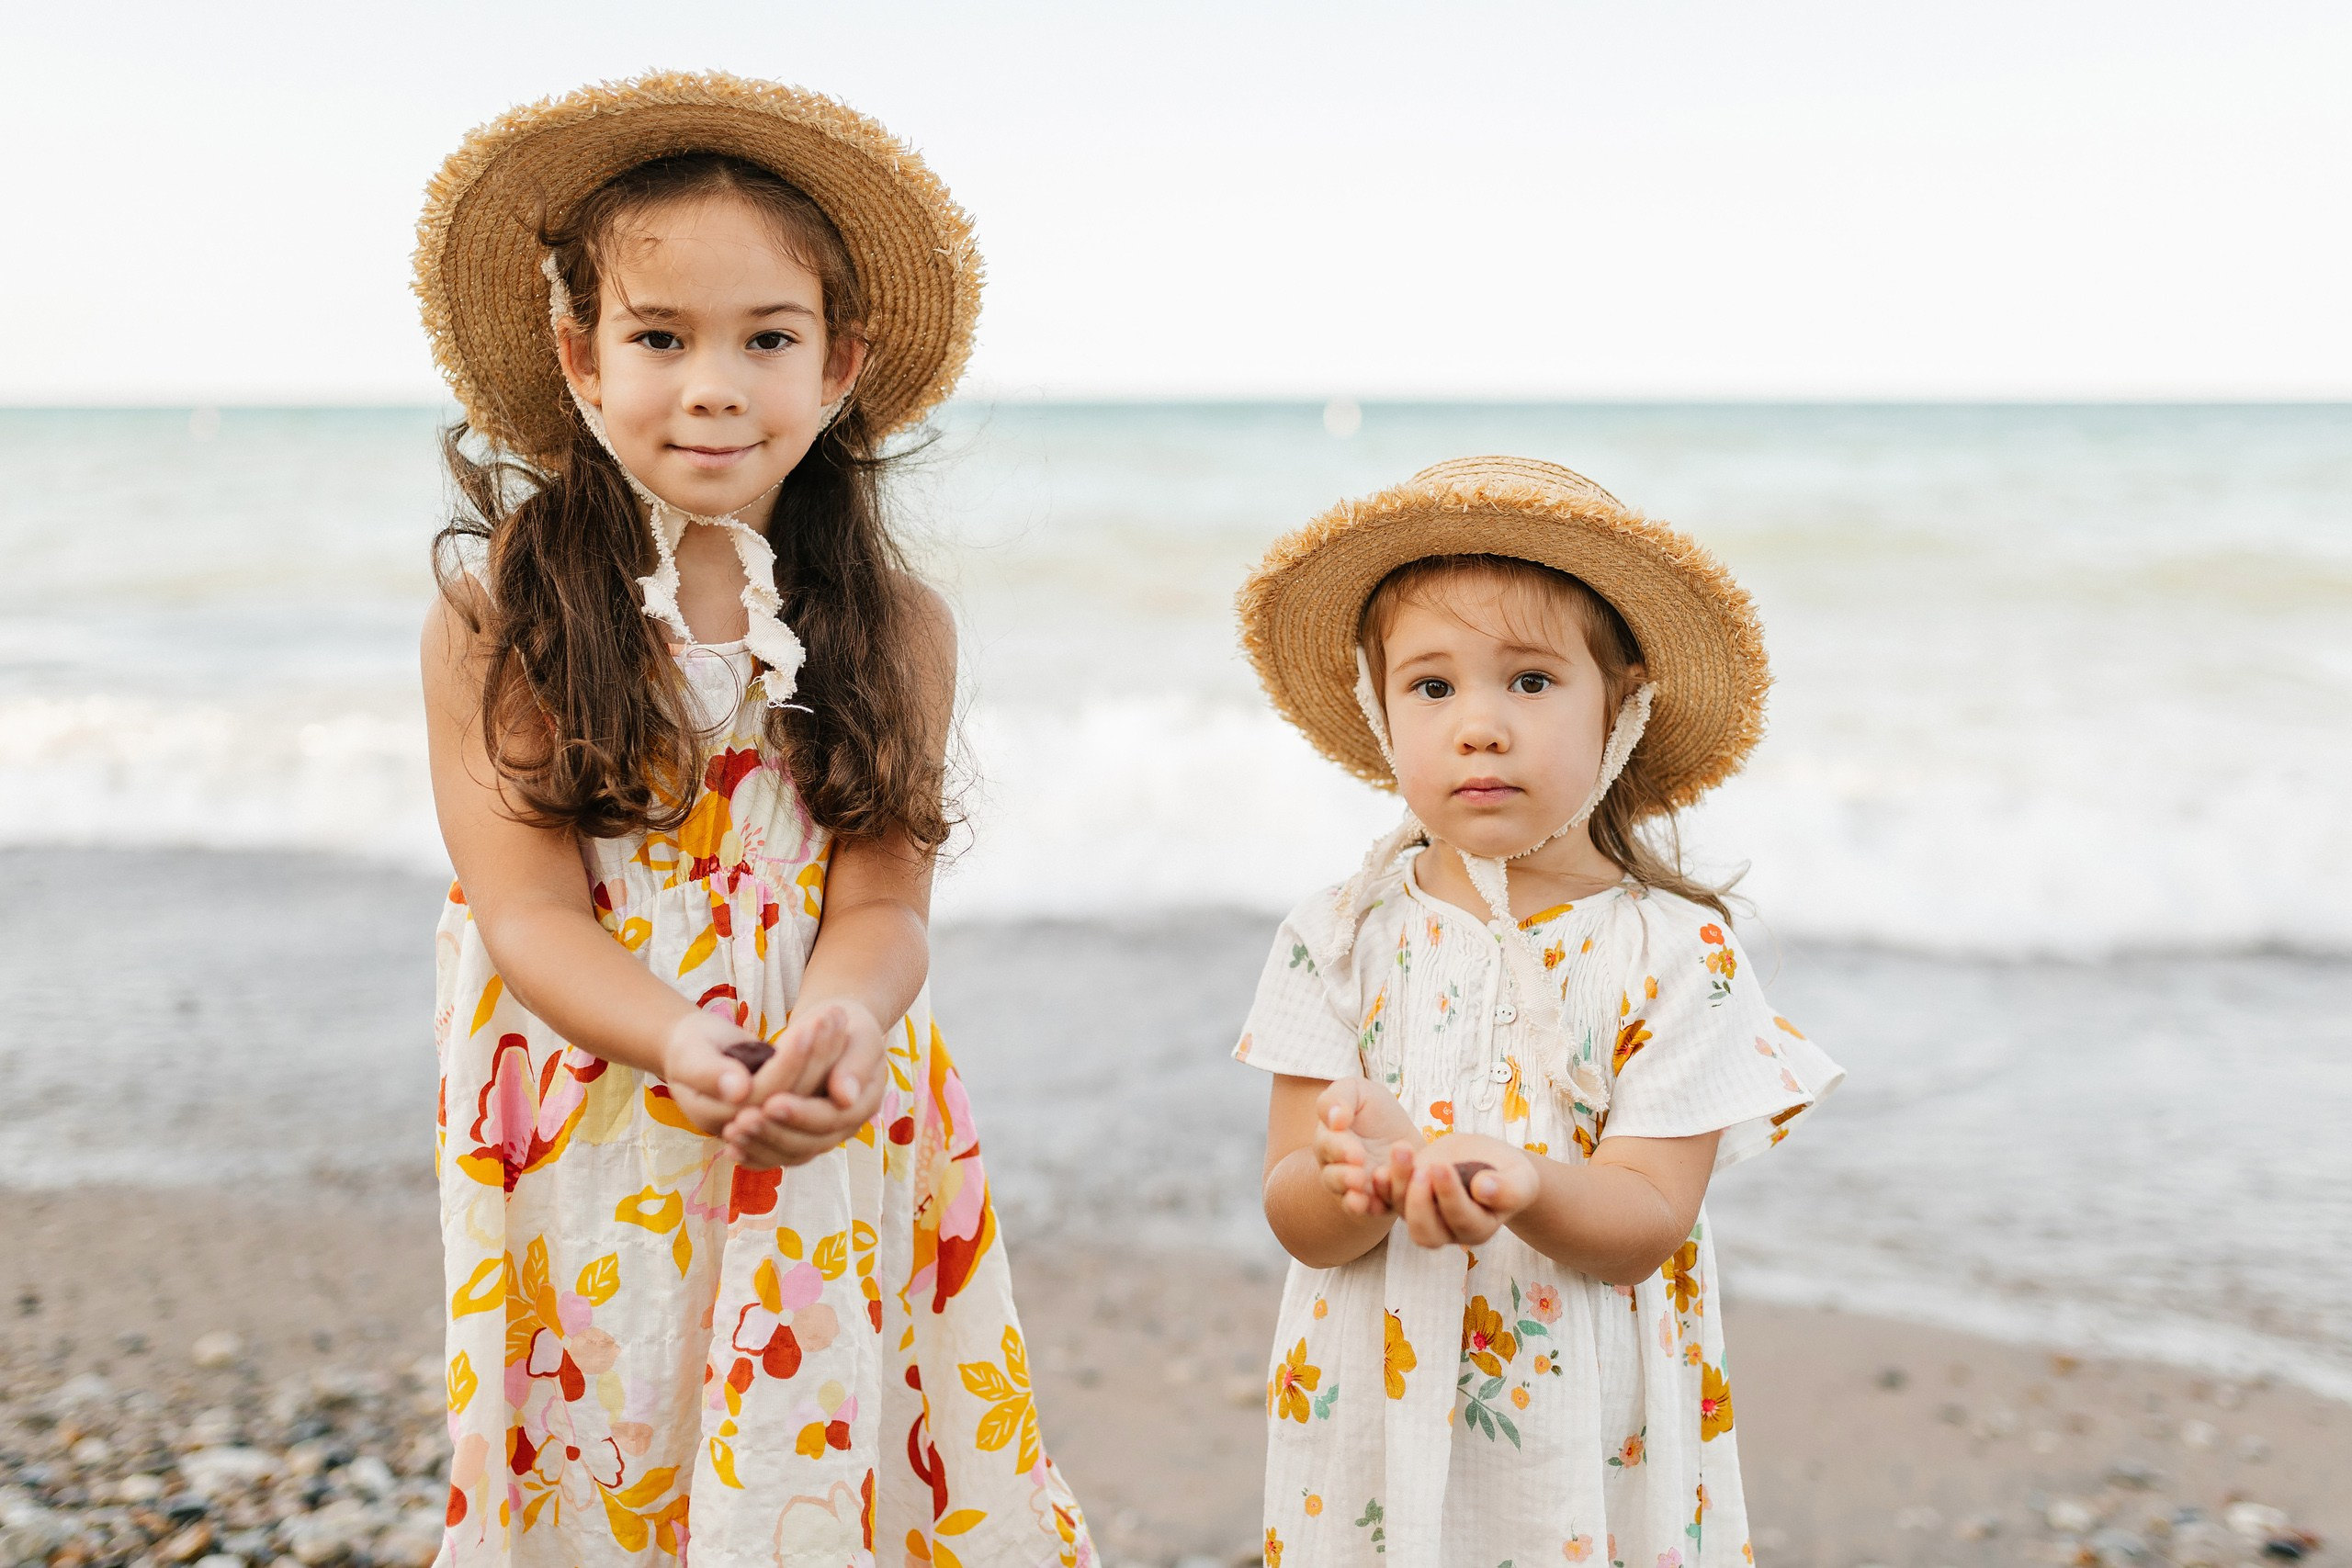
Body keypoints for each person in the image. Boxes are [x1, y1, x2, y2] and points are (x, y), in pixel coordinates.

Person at [413, 72, 1089, 1566]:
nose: (713, 383)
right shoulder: (502, 611)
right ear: (580, 355)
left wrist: (847, 1022)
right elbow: (524, 907)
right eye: (661, 338)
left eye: (765, 338)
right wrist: (671, 1037)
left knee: (830, 1423)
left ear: (839, 361)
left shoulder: (892, 620)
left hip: (824, 1090)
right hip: (590, 1091)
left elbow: (882, 903)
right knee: (615, 1426)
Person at [1231, 457, 1843, 1566]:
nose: (1478, 726)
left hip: (1588, 1421)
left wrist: (1519, 1181)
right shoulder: (1337, 936)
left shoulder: (1671, 952)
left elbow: (1647, 1220)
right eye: (1431, 687)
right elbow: (1292, 1212)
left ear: (1623, 705)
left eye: (1528, 681)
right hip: (1370, 1403)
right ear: (1378, 714)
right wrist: (1353, 1181)